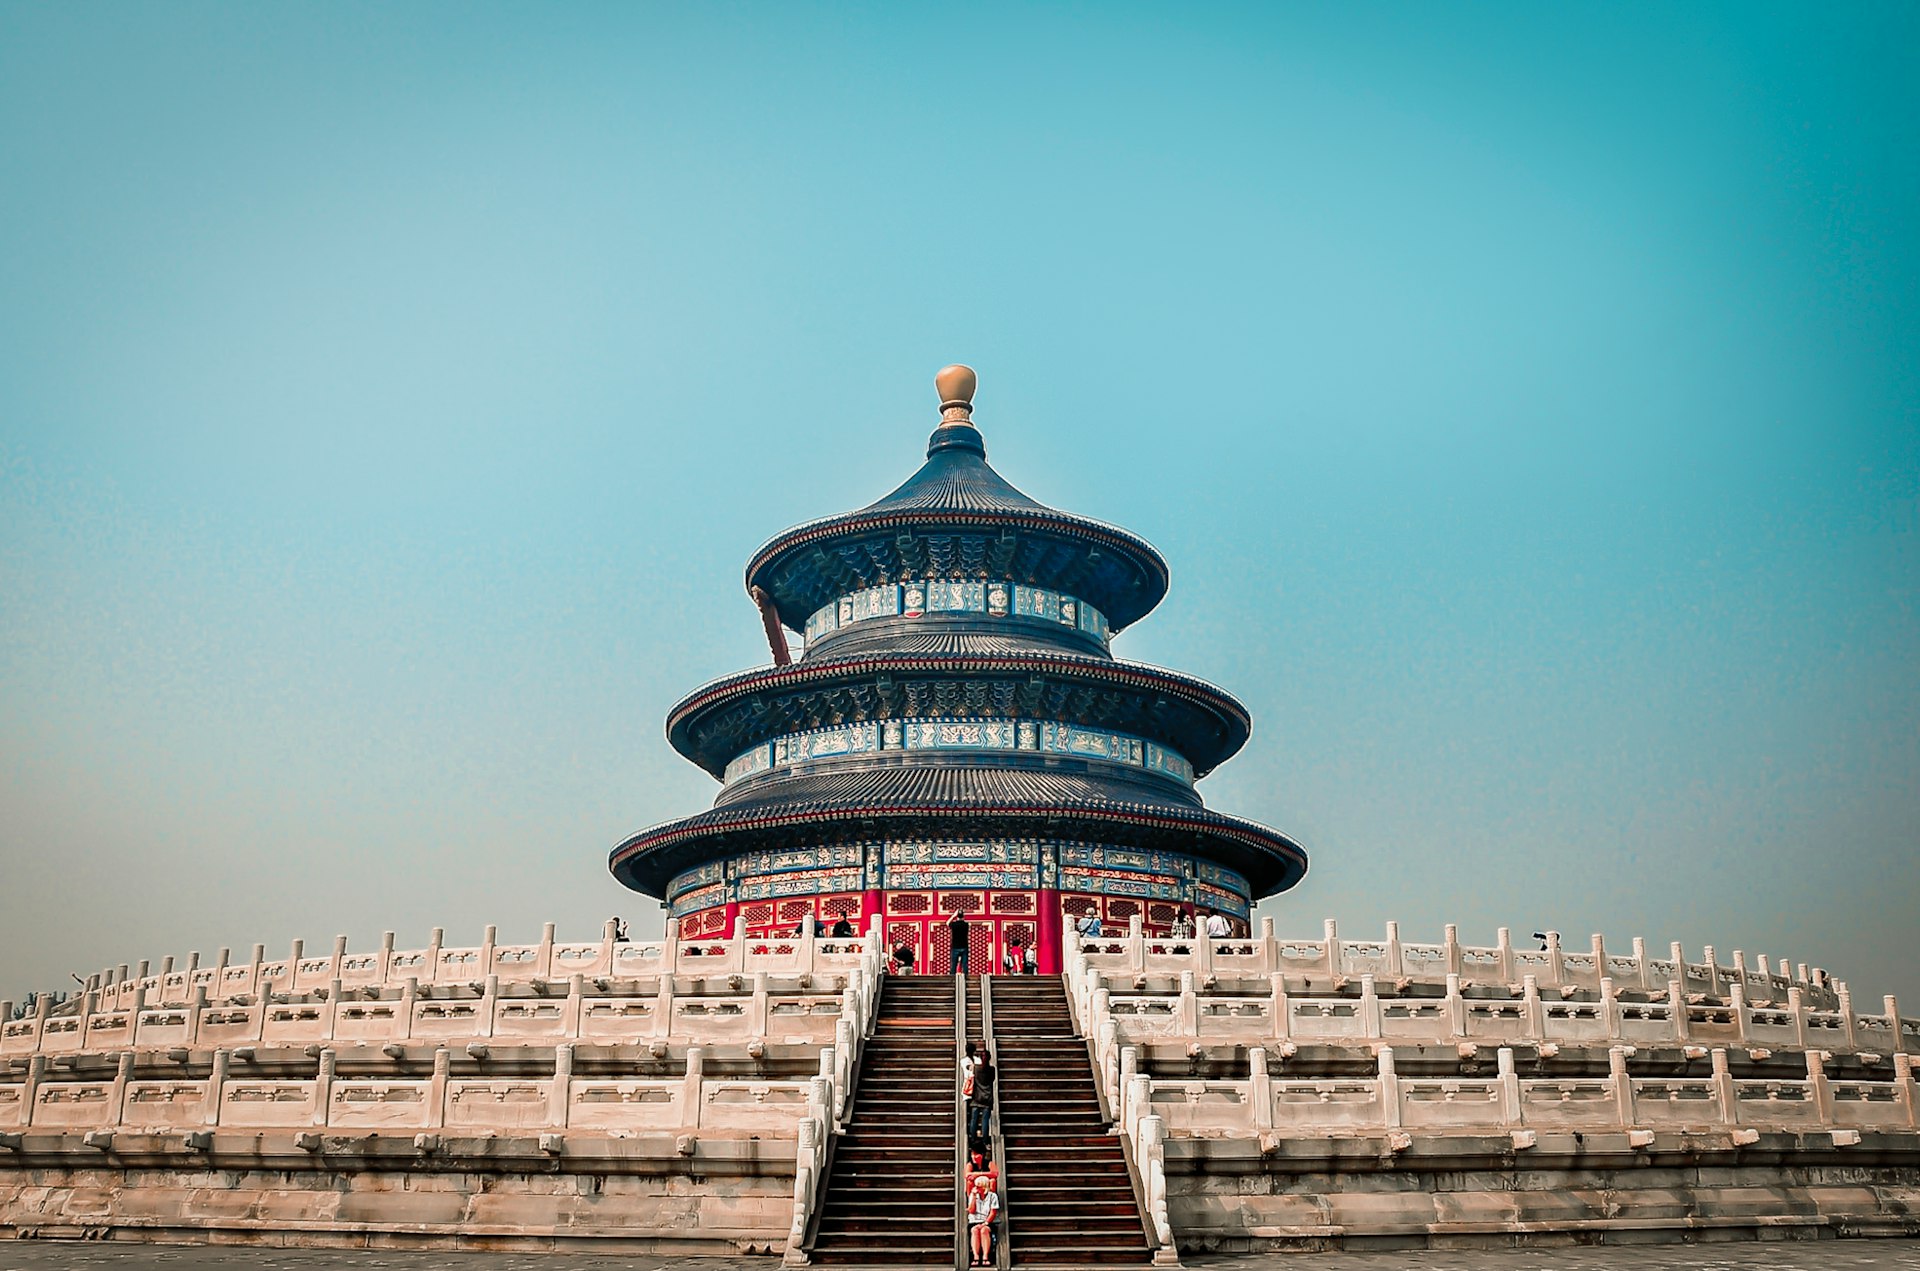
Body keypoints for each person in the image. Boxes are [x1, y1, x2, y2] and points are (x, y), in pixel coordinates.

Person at [966, 1171, 998, 1266]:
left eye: (978, 1186)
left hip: (988, 1221)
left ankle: (985, 1256)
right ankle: (976, 1256)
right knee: (975, 1230)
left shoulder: (993, 1196)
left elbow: (993, 1212)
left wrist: (986, 1223)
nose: (976, 1188)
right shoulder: (973, 1195)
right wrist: (974, 1197)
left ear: (984, 1187)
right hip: (974, 1221)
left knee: (984, 1230)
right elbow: (971, 1210)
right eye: (975, 1186)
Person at [967, 1047, 994, 1141]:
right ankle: (985, 1140)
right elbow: (992, 1080)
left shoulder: (976, 1068)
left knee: (974, 1119)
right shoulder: (992, 1070)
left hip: (976, 1096)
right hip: (987, 1096)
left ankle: (973, 1138)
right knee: (985, 1120)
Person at [948, 910, 972, 976]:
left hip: (955, 947)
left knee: (954, 965)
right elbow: (970, 924)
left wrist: (953, 916)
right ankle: (966, 978)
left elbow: (947, 923)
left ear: (957, 916)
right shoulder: (966, 925)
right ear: (963, 916)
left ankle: (952, 978)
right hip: (964, 946)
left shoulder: (954, 925)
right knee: (965, 965)